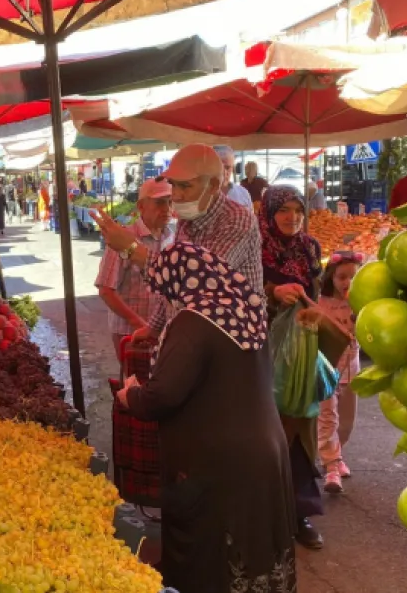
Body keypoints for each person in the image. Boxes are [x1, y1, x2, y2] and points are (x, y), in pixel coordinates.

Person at [113, 242, 296, 592]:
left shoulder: (193, 322)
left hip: (219, 464)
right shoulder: (248, 309)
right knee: (259, 544)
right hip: (266, 451)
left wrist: (131, 394)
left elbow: (163, 395)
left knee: (216, 556)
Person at [94, 144, 264, 342]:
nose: (176, 195)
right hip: (191, 336)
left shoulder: (237, 220)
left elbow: (199, 281)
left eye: (185, 186)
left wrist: (131, 249)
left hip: (230, 340)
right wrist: (154, 327)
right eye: (174, 185)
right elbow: (171, 290)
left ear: (213, 186)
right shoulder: (187, 219)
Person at [259, 184, 326, 550]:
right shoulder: (255, 248)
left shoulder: (309, 247)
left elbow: (316, 291)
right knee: (270, 431)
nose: (292, 217)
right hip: (263, 352)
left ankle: (300, 514)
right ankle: (267, 512)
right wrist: (272, 294)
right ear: (269, 213)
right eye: (283, 209)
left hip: (303, 349)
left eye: (297, 209)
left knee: (301, 428)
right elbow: (244, 294)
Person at [94, 179, 173, 359]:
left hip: (164, 332)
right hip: (130, 332)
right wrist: (139, 324)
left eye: (170, 201)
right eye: (160, 202)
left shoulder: (172, 237)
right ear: (141, 206)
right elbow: (106, 290)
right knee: (135, 381)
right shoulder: (124, 238)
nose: (167, 208)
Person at [317, 251, 363, 494]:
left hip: (351, 371)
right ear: (331, 278)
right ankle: (330, 464)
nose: (347, 283)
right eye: (342, 277)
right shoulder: (320, 303)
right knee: (327, 417)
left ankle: (337, 454)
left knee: (346, 422)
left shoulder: (362, 304)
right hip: (325, 370)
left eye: (353, 278)